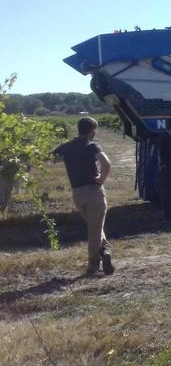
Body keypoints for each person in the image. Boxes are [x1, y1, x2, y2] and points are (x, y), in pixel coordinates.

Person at [53, 117, 114, 275]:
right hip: (94, 191)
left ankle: (105, 252)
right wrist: (101, 179)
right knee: (95, 228)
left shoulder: (67, 146)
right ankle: (93, 264)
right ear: (92, 132)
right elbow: (106, 163)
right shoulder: (92, 145)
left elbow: (51, 156)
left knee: (95, 227)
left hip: (77, 193)